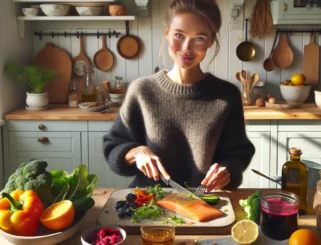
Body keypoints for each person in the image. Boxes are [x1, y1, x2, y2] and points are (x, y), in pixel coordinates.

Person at [103, 0, 255, 192]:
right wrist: (136, 152)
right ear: (167, 34)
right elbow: (114, 146)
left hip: (205, 204)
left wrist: (227, 171)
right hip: (148, 204)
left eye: (199, 38)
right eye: (179, 35)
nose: (186, 48)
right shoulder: (141, 91)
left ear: (210, 41)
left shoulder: (227, 96)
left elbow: (238, 153)